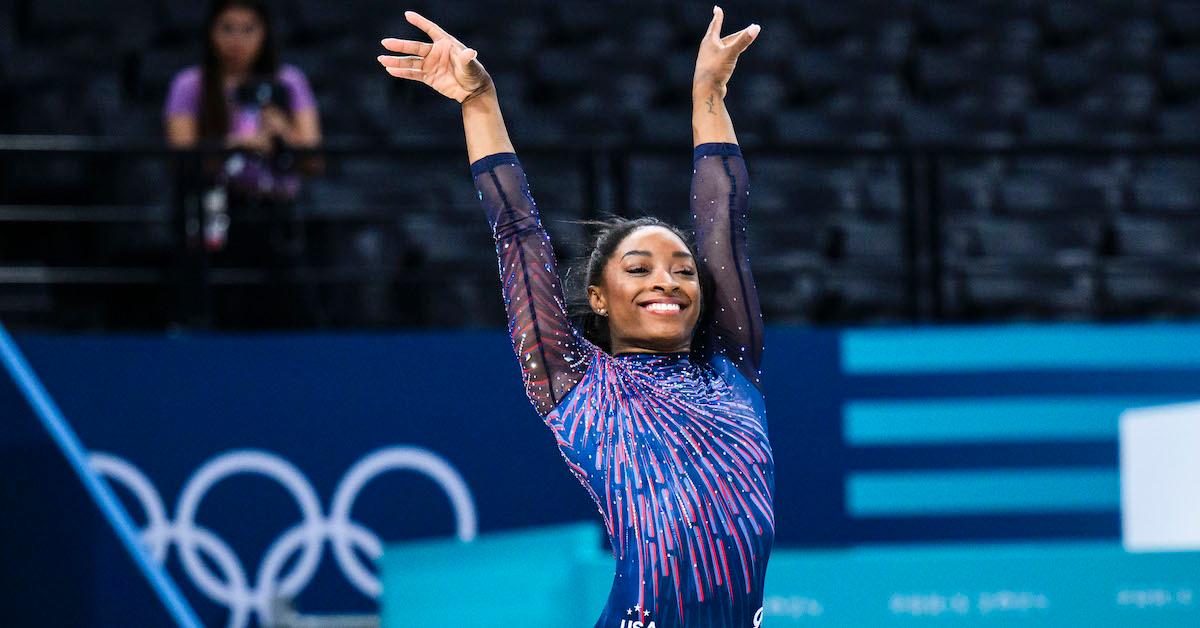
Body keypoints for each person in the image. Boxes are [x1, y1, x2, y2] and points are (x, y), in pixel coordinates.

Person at [379, 7, 772, 627]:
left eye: (683, 270)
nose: (666, 281)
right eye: (639, 269)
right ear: (597, 296)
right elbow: (517, 233)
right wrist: (478, 102)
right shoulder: (575, 385)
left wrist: (709, 94)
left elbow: (722, 217)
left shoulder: (733, 368)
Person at [164, 0, 322, 325]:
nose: (238, 39)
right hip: (217, 214)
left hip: (276, 213)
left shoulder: (288, 82)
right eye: (227, 29)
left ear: (265, 34)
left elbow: (313, 161)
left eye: (249, 29)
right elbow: (181, 158)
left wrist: (284, 133)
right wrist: (232, 147)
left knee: (296, 315)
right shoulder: (190, 85)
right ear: (210, 33)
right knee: (221, 313)